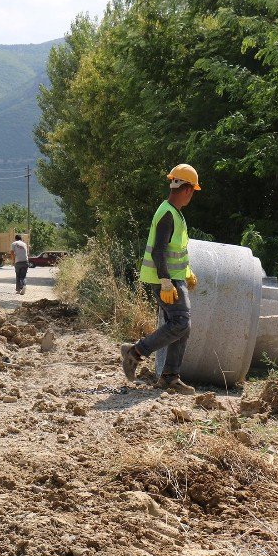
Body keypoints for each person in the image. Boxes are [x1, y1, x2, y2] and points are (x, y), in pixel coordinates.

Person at [121, 164, 201, 395]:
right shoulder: (167, 213)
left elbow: (175, 250)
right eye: (193, 191)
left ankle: (169, 377)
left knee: (181, 327)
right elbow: (158, 251)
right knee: (180, 322)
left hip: (174, 278)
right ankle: (134, 353)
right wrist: (166, 281)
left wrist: (185, 271)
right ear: (187, 190)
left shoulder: (174, 212)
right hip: (165, 280)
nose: (192, 196)